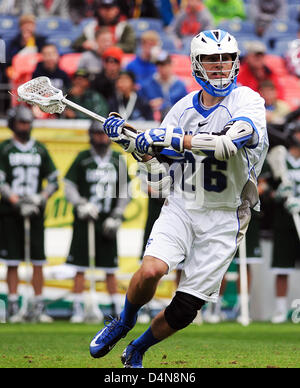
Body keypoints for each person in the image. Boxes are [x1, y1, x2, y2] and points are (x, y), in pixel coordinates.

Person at [89, 29, 269, 367]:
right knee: (151, 270)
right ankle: (124, 320)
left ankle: (138, 348)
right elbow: (160, 160)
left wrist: (172, 138)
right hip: (184, 203)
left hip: (226, 214)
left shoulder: (248, 101)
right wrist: (131, 143)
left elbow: (230, 143)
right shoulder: (182, 108)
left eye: (225, 59)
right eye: (211, 60)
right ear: (196, 65)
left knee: (186, 308)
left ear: (235, 62)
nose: (219, 67)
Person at [64, 120, 131, 323]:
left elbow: (125, 190)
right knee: (80, 265)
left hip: (106, 219)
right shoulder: (82, 158)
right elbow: (69, 185)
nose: (101, 138)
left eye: (103, 135)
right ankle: (77, 307)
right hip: (85, 218)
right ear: (91, 136)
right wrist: (80, 204)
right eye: (97, 135)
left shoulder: (117, 159)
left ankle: (115, 308)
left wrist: (117, 214)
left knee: (110, 267)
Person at [0, 105, 59, 323]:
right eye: (22, 123)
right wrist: (16, 201)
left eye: (28, 123)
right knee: (12, 259)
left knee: (37, 259)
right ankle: (14, 304)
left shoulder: (40, 149)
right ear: (13, 124)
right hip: (10, 212)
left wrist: (40, 198)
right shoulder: (5, 149)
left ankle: (37, 305)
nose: (26, 127)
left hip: (34, 210)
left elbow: (53, 179)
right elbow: (1, 180)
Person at [267, 127, 300, 324]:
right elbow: (266, 189)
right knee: (282, 267)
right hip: (283, 219)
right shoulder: (279, 158)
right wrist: (279, 194)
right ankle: (280, 309)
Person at [72, 0, 136, 54]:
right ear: (99, 10)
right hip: (95, 60)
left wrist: (108, 47)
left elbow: (130, 47)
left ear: (116, 10)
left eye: (110, 8)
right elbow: (76, 44)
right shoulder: (91, 27)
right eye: (104, 8)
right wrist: (85, 45)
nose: (107, 12)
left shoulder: (124, 26)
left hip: (117, 62)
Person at [140, 50, 188, 121]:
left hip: (175, 121)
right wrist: (149, 104)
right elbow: (140, 102)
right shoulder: (148, 84)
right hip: (150, 121)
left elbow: (185, 105)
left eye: (164, 64)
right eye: (159, 65)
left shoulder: (179, 85)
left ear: (170, 65)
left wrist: (163, 103)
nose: (161, 68)